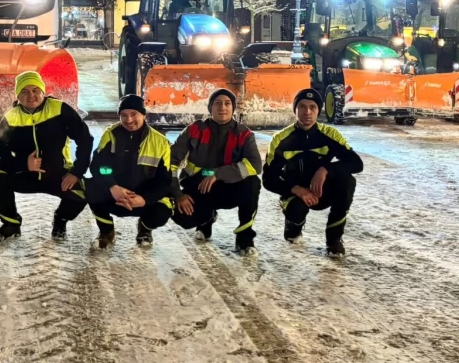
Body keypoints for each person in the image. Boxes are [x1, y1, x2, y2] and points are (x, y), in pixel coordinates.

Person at [0, 71, 93, 242]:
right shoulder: (11, 117)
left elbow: (85, 140)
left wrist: (76, 172)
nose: (31, 95)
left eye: (36, 90)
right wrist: (23, 164)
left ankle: (61, 220)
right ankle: (11, 224)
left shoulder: (60, 109)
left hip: (57, 174)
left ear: (43, 91)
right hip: (24, 175)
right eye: (25, 91)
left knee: (85, 193)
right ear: (18, 95)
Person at [263, 89, 363, 256]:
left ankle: (334, 240)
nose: (307, 112)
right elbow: (268, 179)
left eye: (312, 107)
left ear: (318, 110)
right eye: (302, 106)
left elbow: (356, 163)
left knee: (347, 181)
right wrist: (296, 189)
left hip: (321, 190)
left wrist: (326, 170)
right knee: (296, 210)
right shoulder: (281, 139)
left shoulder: (329, 134)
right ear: (295, 109)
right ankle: (293, 227)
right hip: (294, 194)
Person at [170, 89, 263, 254]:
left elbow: (255, 165)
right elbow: (170, 161)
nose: (223, 107)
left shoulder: (244, 134)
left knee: (253, 182)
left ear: (233, 108)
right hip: (198, 186)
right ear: (210, 108)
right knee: (181, 217)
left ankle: (244, 236)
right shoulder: (194, 129)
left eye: (227, 103)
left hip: (229, 187)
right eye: (217, 103)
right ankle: (206, 219)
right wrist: (178, 195)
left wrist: (218, 173)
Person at [85, 95, 174, 250]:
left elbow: (164, 180)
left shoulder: (161, 142)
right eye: (123, 115)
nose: (129, 120)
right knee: (90, 188)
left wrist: (144, 199)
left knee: (164, 209)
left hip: (143, 198)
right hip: (116, 195)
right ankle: (106, 232)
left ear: (144, 115)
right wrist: (113, 186)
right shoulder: (111, 135)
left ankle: (145, 229)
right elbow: (98, 167)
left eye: (134, 114)